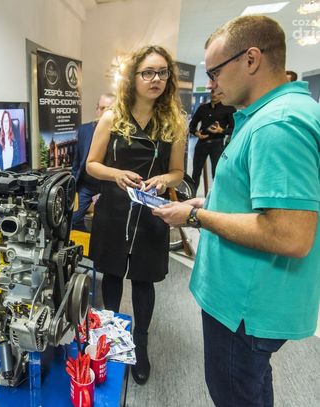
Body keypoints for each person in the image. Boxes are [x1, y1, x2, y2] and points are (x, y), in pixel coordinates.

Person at [153, 15, 320, 407]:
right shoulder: (268, 115)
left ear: (251, 59)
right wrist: (208, 203)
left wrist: (194, 217)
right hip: (247, 301)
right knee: (253, 386)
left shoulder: (278, 125)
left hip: (245, 307)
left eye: (215, 72)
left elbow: (289, 235)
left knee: (234, 393)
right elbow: (255, 199)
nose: (210, 83)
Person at [86, 45, 187, 385]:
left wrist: (164, 180)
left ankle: (140, 345)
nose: (156, 79)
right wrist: (115, 174)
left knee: (144, 279)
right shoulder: (112, 117)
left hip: (151, 212)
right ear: (133, 77)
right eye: (148, 72)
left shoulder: (174, 122)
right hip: (114, 210)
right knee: (112, 274)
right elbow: (91, 165)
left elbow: (178, 173)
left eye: (162, 72)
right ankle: (111, 337)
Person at [71, 93, 115, 231]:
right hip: (85, 186)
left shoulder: (119, 135)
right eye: (100, 108)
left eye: (108, 109)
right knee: (73, 219)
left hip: (108, 186)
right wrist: (73, 185)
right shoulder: (84, 130)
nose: (103, 112)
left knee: (106, 223)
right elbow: (77, 161)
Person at [189, 90, 236, 191]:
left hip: (217, 145)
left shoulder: (229, 109)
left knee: (217, 173)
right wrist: (197, 133)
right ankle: (191, 196)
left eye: (217, 92)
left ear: (222, 93)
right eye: (212, 92)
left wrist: (221, 130)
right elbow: (192, 126)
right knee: (195, 173)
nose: (214, 94)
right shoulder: (202, 108)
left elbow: (234, 129)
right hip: (201, 144)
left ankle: (216, 198)